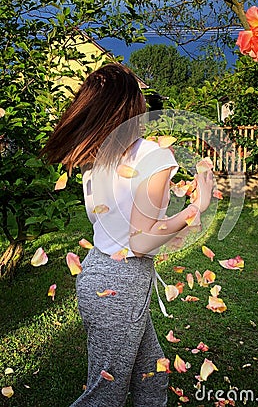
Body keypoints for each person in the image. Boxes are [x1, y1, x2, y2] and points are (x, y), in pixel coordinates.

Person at [41, 63, 213, 407]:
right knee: (104, 395)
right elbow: (140, 241)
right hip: (121, 286)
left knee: (153, 373)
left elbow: (124, 230)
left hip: (97, 276)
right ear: (130, 105)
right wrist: (197, 207)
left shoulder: (95, 160)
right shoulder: (154, 155)